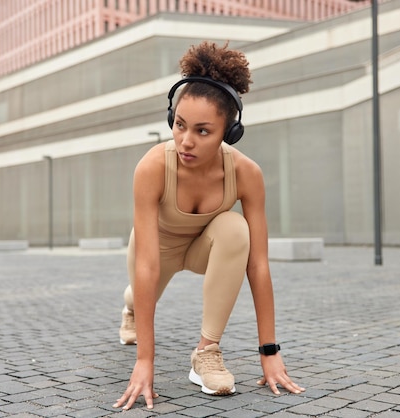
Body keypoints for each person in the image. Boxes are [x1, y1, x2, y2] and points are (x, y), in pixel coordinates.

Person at [113, 41, 305, 411]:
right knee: (139, 292)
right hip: (157, 250)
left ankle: (206, 352)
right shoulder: (153, 167)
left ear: (229, 133)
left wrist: (269, 352)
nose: (186, 140)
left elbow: (258, 264)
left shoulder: (246, 173)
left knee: (236, 229)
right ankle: (131, 310)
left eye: (203, 131)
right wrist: (144, 362)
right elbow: (148, 265)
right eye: (180, 125)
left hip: (206, 247)